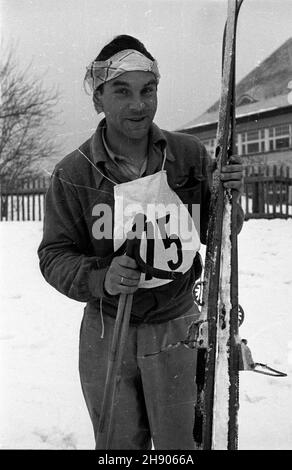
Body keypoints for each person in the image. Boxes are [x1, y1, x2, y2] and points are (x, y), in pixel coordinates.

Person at [38, 34, 244, 450]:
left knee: (179, 443)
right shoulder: (73, 173)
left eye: (147, 90)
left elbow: (216, 235)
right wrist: (102, 277)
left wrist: (228, 198)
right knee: (117, 443)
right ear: (98, 99)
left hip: (178, 323)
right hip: (108, 329)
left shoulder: (187, 155)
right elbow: (53, 256)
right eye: (122, 91)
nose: (138, 104)